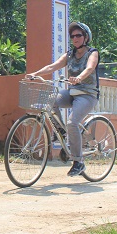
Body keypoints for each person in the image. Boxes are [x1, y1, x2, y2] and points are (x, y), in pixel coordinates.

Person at [26, 22, 99, 177]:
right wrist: (34, 74)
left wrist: (79, 78)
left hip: (87, 94)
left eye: (78, 35)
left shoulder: (92, 52)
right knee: (50, 100)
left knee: (72, 122)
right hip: (72, 93)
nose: (75, 38)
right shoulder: (70, 54)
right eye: (72, 36)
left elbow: (90, 68)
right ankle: (61, 131)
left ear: (86, 37)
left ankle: (78, 162)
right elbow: (53, 66)